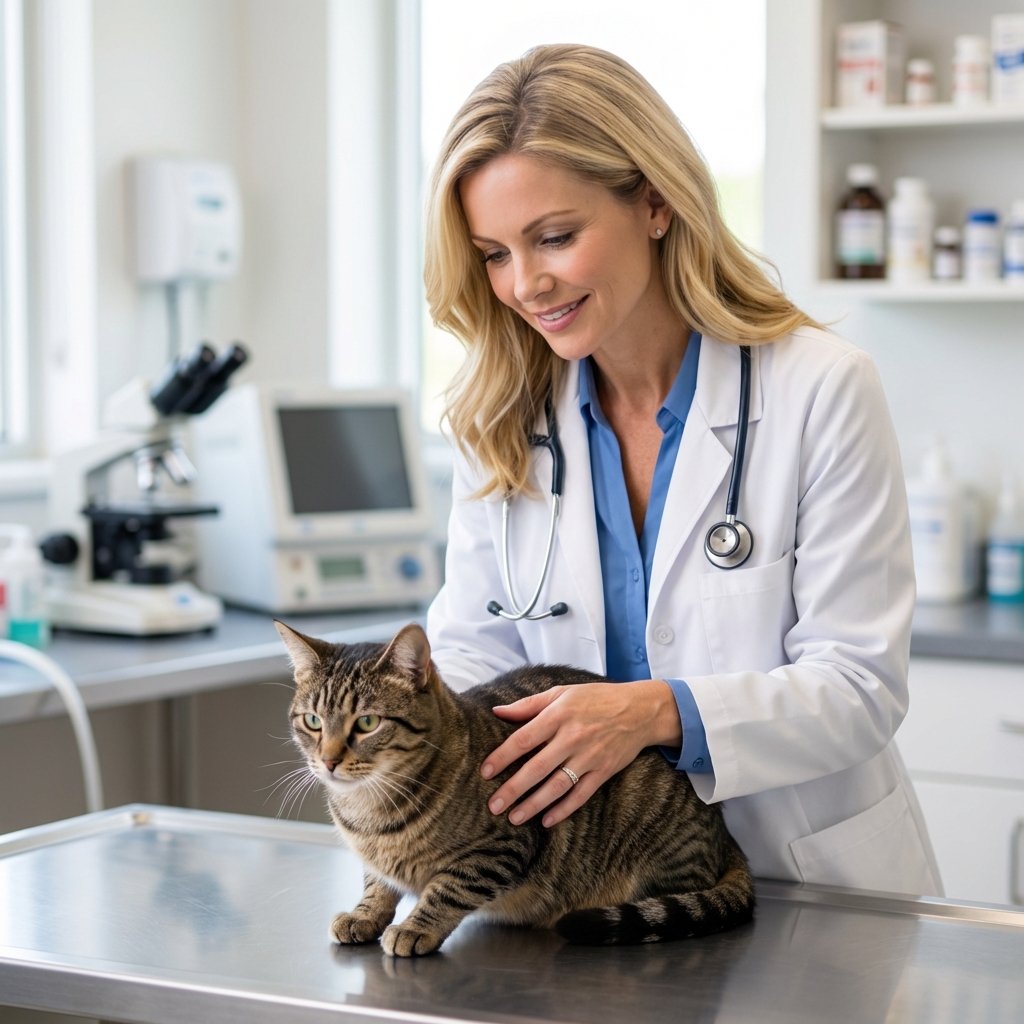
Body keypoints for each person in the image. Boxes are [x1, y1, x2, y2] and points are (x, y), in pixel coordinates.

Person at [423, 44, 941, 895]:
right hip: (583, 887)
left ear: (656, 203)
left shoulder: (820, 387)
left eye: (555, 237)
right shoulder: (499, 419)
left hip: (806, 887)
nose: (525, 283)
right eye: (493, 253)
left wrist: (653, 713)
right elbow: (469, 665)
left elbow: (859, 686)